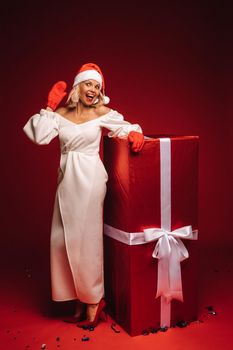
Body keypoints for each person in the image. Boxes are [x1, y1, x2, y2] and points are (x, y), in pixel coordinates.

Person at [23, 62, 144, 328]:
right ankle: (80, 298)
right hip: (66, 180)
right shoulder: (60, 113)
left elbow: (123, 126)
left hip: (90, 178)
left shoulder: (101, 111)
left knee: (86, 241)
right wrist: (48, 108)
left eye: (98, 87)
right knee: (62, 238)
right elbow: (39, 136)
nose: (93, 90)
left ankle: (93, 301)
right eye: (89, 84)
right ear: (78, 85)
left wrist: (134, 132)